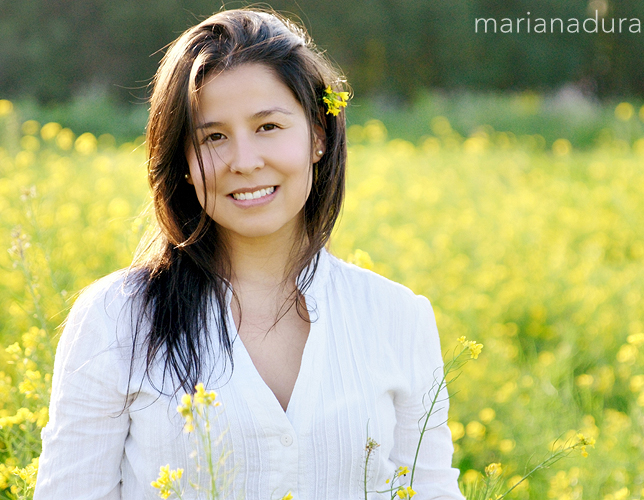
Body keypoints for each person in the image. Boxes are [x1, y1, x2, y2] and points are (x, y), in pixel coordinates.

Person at [35, 9, 463, 500]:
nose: (243, 162)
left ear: (318, 136)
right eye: (213, 137)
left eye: (268, 127)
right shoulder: (116, 319)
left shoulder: (398, 318)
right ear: (185, 164)